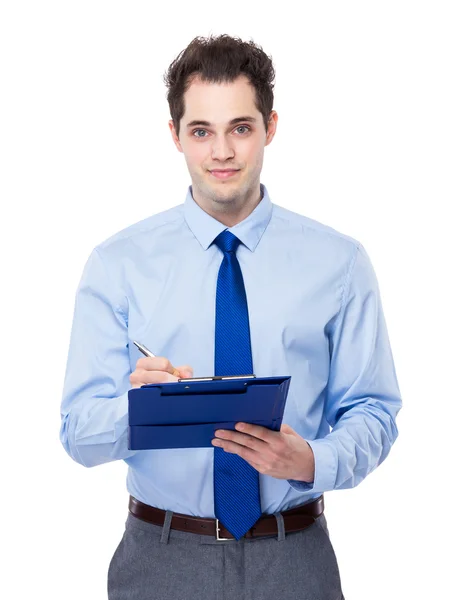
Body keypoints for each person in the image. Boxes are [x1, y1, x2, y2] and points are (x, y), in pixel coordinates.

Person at [60, 34, 402, 600]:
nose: (221, 152)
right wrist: (141, 412)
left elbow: (375, 411)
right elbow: (78, 433)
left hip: (296, 559)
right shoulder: (117, 264)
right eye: (202, 132)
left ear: (270, 127)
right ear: (175, 136)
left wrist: (313, 458)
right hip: (160, 560)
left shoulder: (339, 263)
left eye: (240, 128)